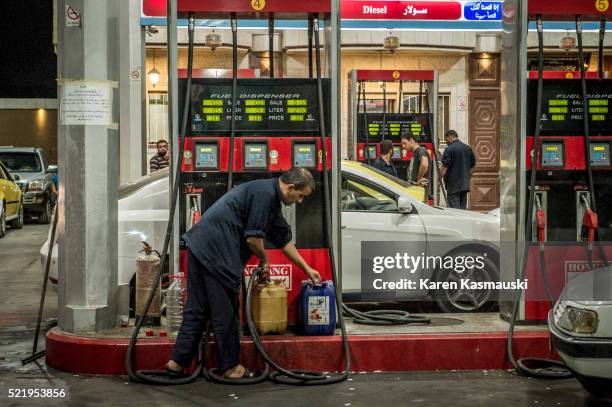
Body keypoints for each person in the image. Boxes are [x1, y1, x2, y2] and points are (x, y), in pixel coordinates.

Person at [165, 168, 322, 379]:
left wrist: (307, 269)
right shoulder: (265, 196)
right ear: (291, 187)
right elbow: (252, 239)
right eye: (301, 196)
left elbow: (283, 239)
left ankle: (177, 362)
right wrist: (265, 260)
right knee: (226, 312)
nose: (300, 201)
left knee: (197, 308)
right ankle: (231, 367)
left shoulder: (268, 196)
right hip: (218, 255)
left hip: (199, 247)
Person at [440, 130, 476, 210]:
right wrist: (468, 177)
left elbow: (444, 167)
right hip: (464, 185)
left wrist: (439, 179)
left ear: (450, 137)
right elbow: (473, 166)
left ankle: (456, 222)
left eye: (446, 140)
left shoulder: (449, 149)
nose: (446, 142)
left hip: (453, 185)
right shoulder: (468, 148)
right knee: (462, 210)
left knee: (454, 210)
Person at [401, 132, 431, 197]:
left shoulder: (420, 150)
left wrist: (418, 179)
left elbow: (424, 164)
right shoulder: (416, 152)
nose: (403, 146)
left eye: (405, 143)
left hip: (420, 192)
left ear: (411, 140)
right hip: (418, 192)